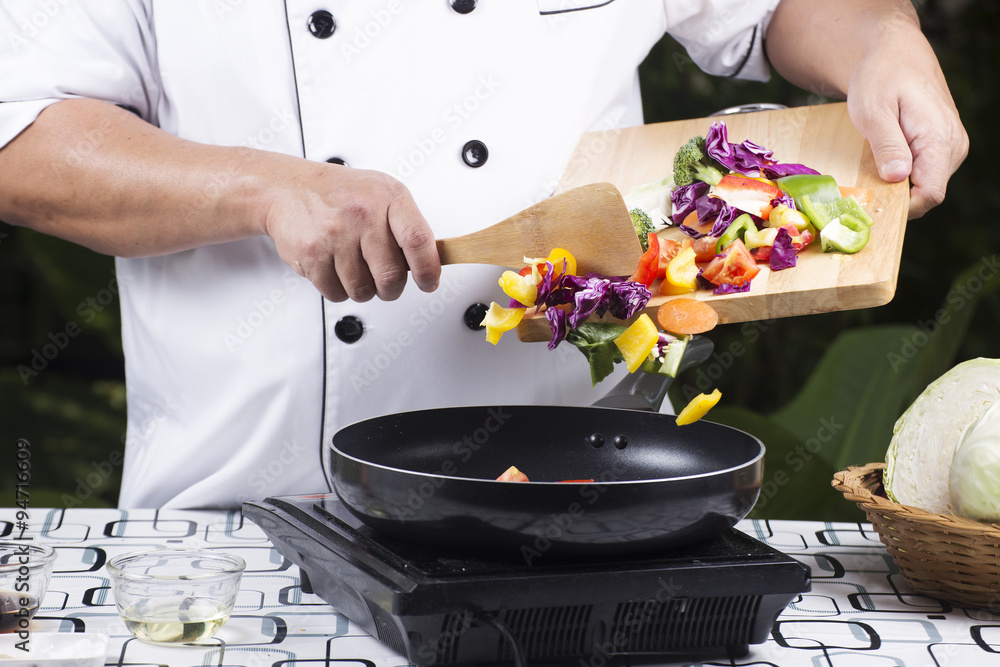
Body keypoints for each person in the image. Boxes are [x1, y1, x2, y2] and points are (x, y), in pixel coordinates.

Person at [0, 0, 967, 508]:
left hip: (600, 500)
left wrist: (888, 42)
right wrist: (260, 188)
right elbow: (22, 132)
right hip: (249, 509)